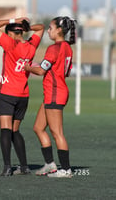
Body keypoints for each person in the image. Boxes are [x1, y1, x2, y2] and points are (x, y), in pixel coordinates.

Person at [0, 17, 44, 176]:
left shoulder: (10, 44)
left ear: (11, 34)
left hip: (7, 92)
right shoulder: (31, 46)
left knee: (5, 130)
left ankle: (7, 167)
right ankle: (24, 166)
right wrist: (27, 27)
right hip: (23, 94)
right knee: (15, 130)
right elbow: (41, 28)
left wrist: (14, 20)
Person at [24, 16, 76, 178]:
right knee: (38, 128)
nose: (48, 30)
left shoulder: (54, 48)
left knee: (57, 132)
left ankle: (66, 170)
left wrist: (28, 67)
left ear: (59, 30)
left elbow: (41, 71)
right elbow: (64, 71)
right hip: (54, 92)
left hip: (55, 93)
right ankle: (50, 164)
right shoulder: (67, 47)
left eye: (51, 28)